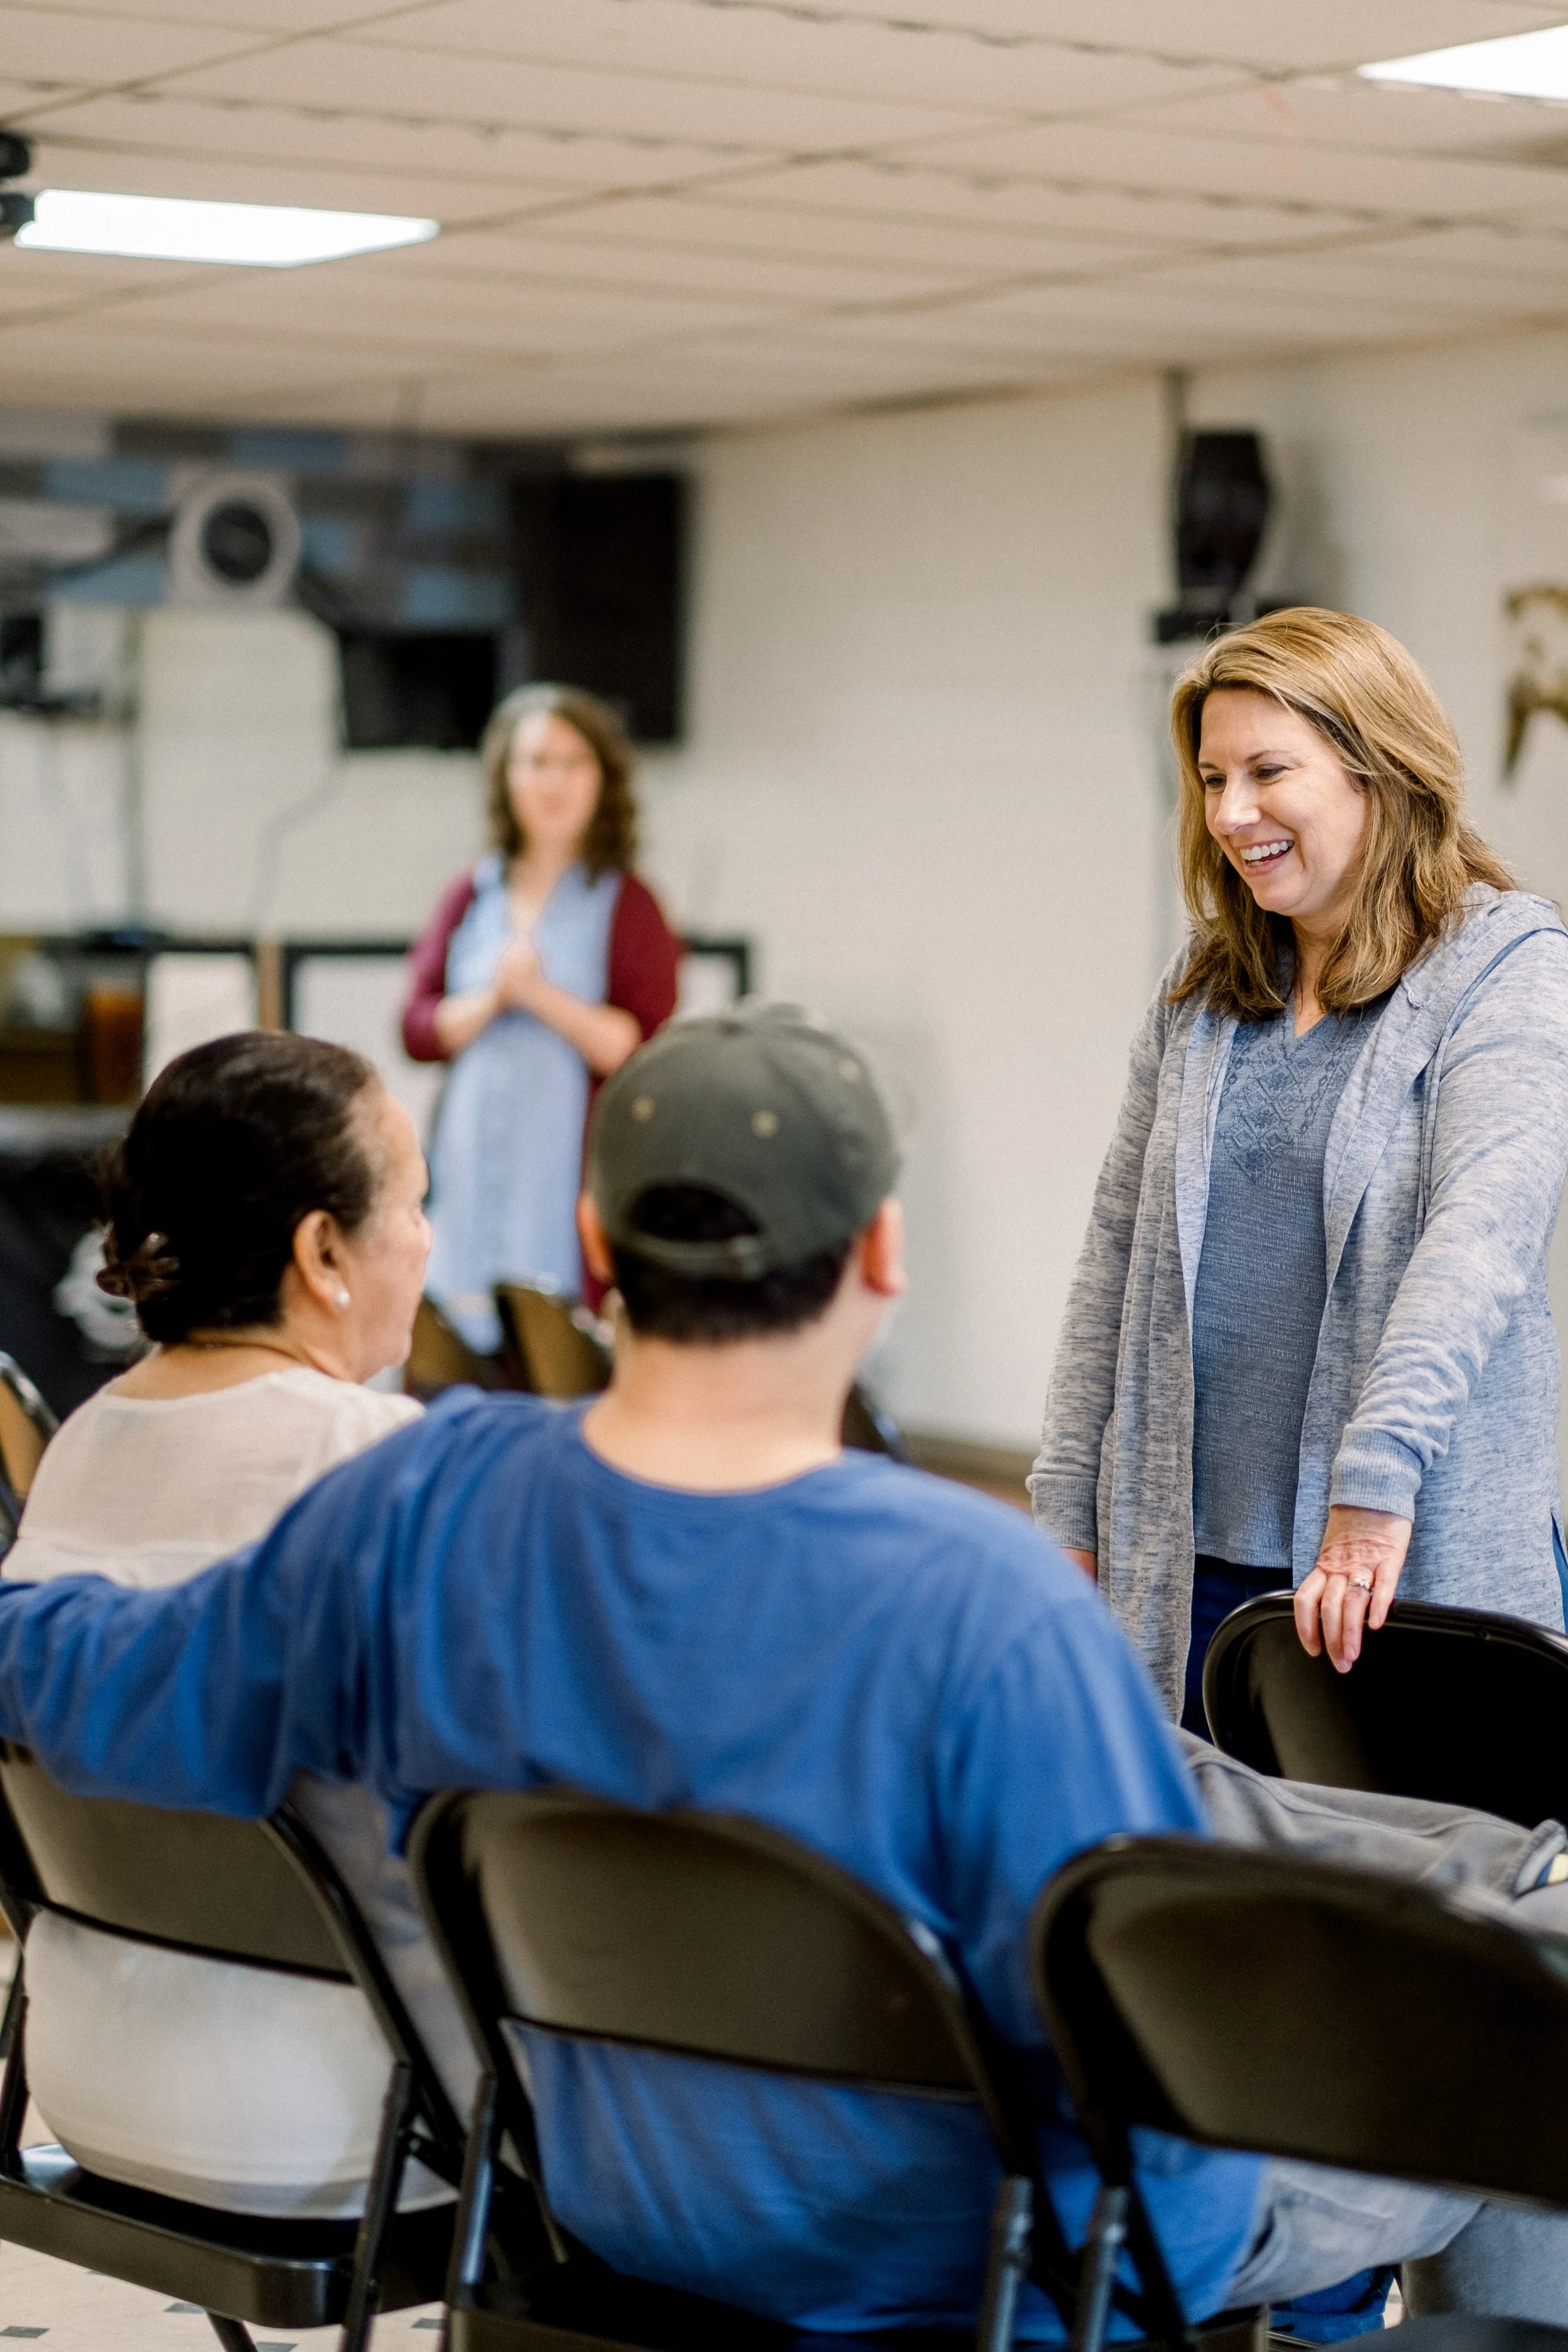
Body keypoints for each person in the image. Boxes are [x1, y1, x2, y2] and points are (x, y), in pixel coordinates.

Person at [0, 1003, 1559, 2337]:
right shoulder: (986, 1600)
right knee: (1500, 2066)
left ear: (597, 1250)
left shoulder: (410, 1509)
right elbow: (1140, 2092)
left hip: (616, 2201)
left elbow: (93, 1675)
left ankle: (1503, 1891)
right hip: (968, 2250)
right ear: (879, 1250)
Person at [1030, 607, 1568, 1735]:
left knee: (1394, 1900)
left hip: (1387, 1566)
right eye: (1214, 776)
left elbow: (1479, 1243)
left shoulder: (1503, 967)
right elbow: (1114, 1262)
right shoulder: (1210, 987)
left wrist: (1371, 1489)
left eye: (1270, 771)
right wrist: (1065, 1507)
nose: (1232, 813)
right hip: (1181, 1571)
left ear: (1381, 768)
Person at [4, 1029, 467, 2220]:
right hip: (341, 2116)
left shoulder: (84, 1442)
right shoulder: (376, 1461)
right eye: (412, 1205)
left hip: (83, 2082)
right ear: (325, 1250)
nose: (426, 1242)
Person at [403, 681, 682, 1348]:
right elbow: (417, 1026)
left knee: (554, 1349)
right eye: (536, 763)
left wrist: (540, 997)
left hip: (565, 1172)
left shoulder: (629, 901)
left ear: (601, 779)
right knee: (455, 1348)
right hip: (470, 1165)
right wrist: (492, 998)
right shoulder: (472, 893)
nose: (552, 781)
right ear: (507, 778)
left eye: (571, 763)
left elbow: (636, 1042)